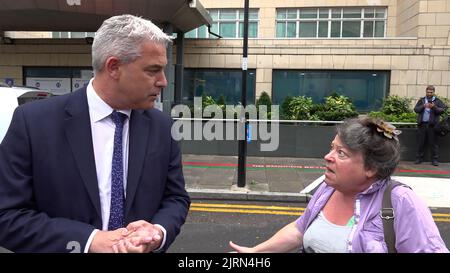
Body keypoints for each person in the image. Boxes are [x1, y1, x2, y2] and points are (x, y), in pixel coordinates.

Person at [0, 14, 190, 253]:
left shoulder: (162, 127)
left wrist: (157, 233)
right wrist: (90, 241)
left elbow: (175, 199)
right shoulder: (33, 123)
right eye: (153, 70)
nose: (163, 81)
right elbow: (7, 216)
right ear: (114, 67)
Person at [229, 117, 448, 253]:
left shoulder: (402, 203)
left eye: (341, 153)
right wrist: (256, 251)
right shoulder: (328, 189)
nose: (327, 156)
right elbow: (299, 229)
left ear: (371, 168)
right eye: (332, 147)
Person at [413, 85, 447, 166]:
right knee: (421, 143)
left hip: (433, 126)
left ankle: (434, 160)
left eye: (431, 92)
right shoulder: (422, 100)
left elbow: (442, 110)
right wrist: (423, 106)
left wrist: (434, 107)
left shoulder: (437, 101)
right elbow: (416, 109)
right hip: (422, 125)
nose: (429, 93)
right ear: (426, 92)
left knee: (433, 143)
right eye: (428, 92)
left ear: (433, 92)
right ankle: (419, 159)